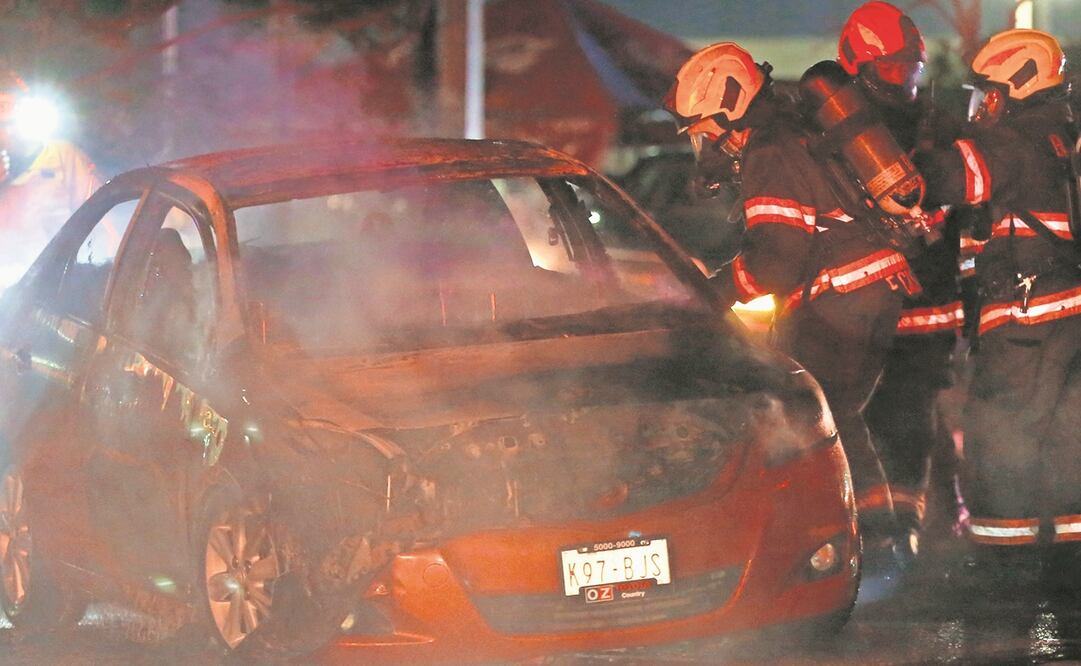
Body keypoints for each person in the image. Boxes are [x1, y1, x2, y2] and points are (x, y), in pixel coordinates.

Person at [666, 42, 920, 545]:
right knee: (838, 417)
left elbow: (778, 259)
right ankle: (879, 540)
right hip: (871, 290)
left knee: (809, 417)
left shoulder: (769, 152)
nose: (706, 145)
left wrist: (713, 294)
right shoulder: (793, 131)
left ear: (730, 110)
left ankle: (847, 542)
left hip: (843, 296)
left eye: (705, 131)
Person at [914, 29, 1081, 570]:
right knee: (1066, 441)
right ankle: (1067, 564)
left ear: (1017, 85)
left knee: (999, 437)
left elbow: (941, 180)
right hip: (1067, 315)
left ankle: (1002, 566)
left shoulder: (1014, 141)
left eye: (987, 93)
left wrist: (921, 147)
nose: (981, 106)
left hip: (1025, 320)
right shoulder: (1061, 133)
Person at [834, 1, 967, 560]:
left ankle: (904, 536)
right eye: (890, 68)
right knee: (873, 419)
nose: (904, 80)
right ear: (858, 67)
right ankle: (898, 528)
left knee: (910, 415)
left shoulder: (938, 126)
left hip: (926, 305)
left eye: (909, 67)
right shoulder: (839, 136)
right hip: (865, 309)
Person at [0, 69, 101, 289]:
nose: (9, 123)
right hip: (11, 292)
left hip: (63, 285)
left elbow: (98, 216)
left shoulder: (62, 156)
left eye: (11, 105)